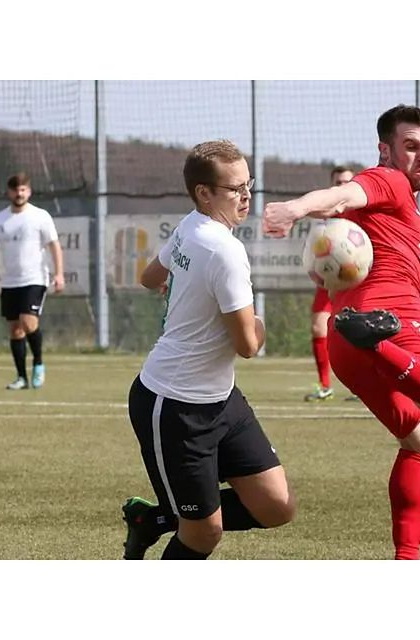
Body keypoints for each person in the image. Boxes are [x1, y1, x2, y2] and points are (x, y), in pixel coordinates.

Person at [263, 104, 420, 560]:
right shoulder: (388, 180)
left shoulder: (395, 200)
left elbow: (373, 248)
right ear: (387, 150)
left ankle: (406, 558)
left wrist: (418, 307)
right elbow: (342, 197)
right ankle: (377, 340)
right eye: (411, 147)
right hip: (383, 323)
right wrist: (294, 209)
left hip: (347, 341)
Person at [120, 140, 295, 560]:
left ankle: (155, 520)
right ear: (204, 193)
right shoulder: (224, 250)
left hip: (221, 400)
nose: (247, 196)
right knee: (203, 534)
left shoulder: (189, 225)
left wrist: (185, 287)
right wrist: (262, 325)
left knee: (276, 507)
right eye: (235, 188)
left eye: (249, 184)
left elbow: (148, 277)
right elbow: (249, 345)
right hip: (174, 405)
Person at [0, 173, 65, 390]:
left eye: (23, 189)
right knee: (15, 329)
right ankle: (21, 377)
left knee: (28, 322)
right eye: (15, 190)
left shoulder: (40, 216)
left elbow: (54, 245)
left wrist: (59, 273)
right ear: (9, 192)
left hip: (34, 279)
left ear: (29, 191)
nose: (19, 193)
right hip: (10, 281)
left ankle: (39, 363)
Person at [304, 165, 355, 402]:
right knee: (318, 326)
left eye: (347, 183)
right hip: (331, 278)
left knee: (363, 331)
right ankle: (325, 385)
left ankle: (365, 385)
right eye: (338, 184)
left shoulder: (360, 211)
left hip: (358, 278)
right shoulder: (326, 213)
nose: (342, 188)